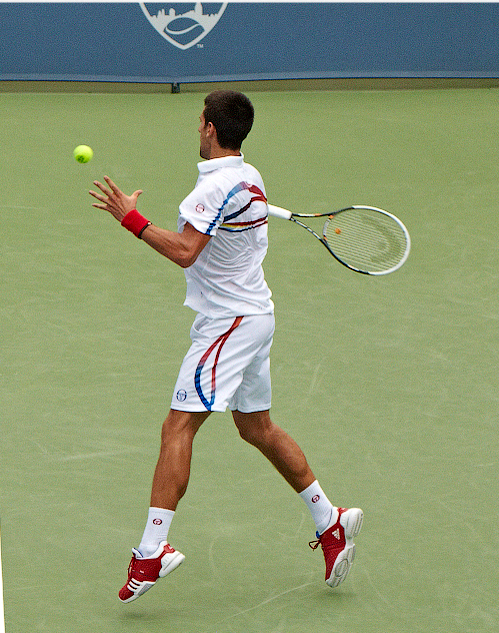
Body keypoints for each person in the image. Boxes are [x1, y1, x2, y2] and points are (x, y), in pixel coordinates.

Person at [89, 90, 363, 604]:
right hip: (257, 315)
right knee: (256, 427)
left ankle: (151, 552)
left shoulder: (216, 188)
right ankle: (331, 521)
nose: (198, 128)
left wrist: (131, 217)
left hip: (230, 324)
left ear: (210, 129)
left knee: (178, 426)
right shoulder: (248, 177)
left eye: (200, 122)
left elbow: (187, 252)